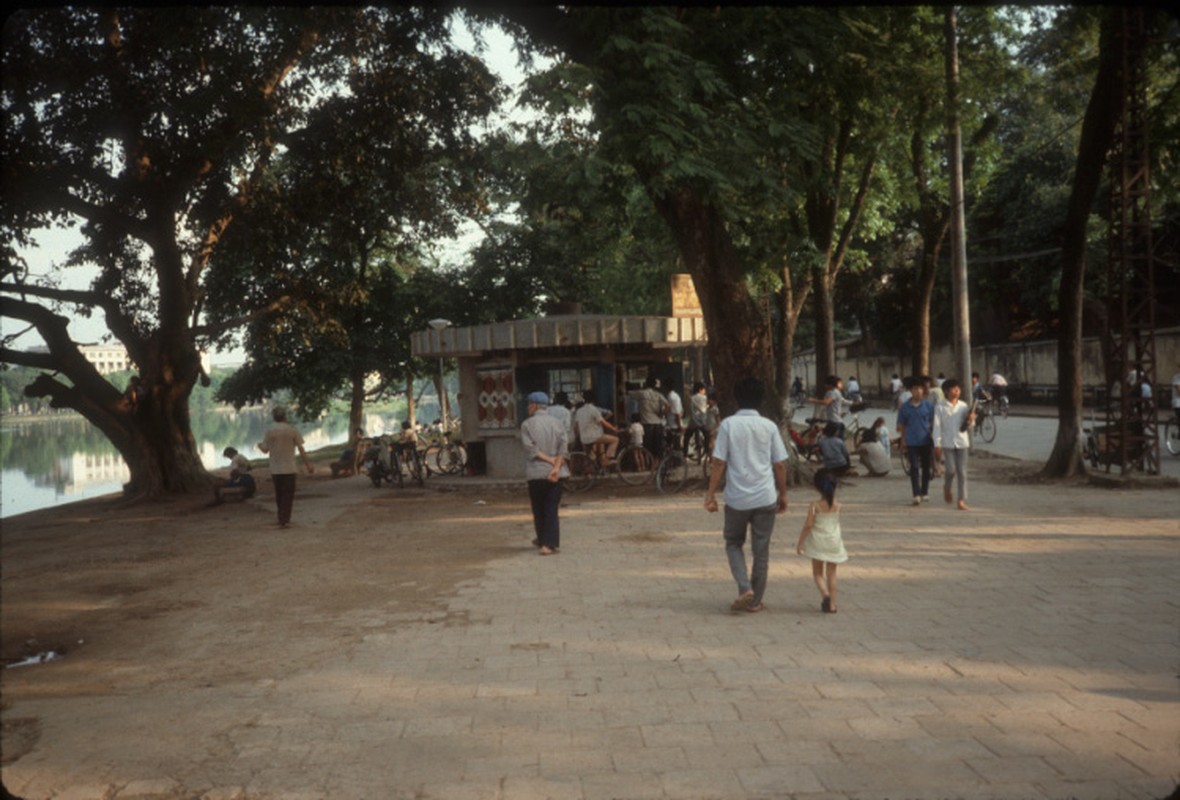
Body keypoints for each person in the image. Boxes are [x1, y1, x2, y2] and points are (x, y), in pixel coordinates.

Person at [704, 376, 789, 615]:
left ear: (736, 398)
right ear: (761, 399)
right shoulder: (770, 426)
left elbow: (719, 462)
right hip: (765, 497)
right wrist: (783, 494)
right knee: (761, 549)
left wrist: (710, 495)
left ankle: (744, 587)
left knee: (733, 543)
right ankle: (755, 601)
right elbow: (780, 465)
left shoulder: (728, 425)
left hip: (737, 498)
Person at [521, 391, 569, 556]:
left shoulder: (527, 424)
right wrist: (555, 467)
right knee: (551, 508)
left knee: (538, 507)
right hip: (556, 473)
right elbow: (563, 448)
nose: (528, 407)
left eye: (529, 404)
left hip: (536, 473)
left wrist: (548, 461)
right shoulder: (558, 423)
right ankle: (547, 543)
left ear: (534, 405)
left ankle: (544, 541)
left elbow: (531, 449)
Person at [796, 469, 848, 613]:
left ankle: (825, 594)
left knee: (818, 573)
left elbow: (808, 524)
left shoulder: (814, 506)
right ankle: (832, 605)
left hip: (818, 542)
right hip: (834, 542)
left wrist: (800, 543)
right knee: (832, 574)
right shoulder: (838, 506)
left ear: (816, 487)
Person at [258, 406, 314, 528]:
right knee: (288, 494)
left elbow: (265, 450)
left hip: (275, 468)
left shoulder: (270, 432)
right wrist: (308, 465)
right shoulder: (292, 431)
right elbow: (301, 449)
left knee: (279, 494)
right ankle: (285, 518)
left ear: (274, 418)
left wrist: (259, 446)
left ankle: (281, 517)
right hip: (289, 467)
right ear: (285, 416)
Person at [933, 378, 974, 511]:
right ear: (946, 391)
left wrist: (971, 420)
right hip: (947, 442)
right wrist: (937, 444)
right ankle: (947, 487)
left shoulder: (963, 406)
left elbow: (969, 425)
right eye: (954, 389)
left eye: (958, 389)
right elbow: (937, 426)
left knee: (962, 472)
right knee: (950, 470)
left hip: (962, 442)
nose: (957, 391)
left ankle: (961, 499)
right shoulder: (940, 406)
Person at [896, 378, 934, 505]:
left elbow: (933, 423)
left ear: (923, 391)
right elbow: (901, 425)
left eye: (920, 389)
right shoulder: (905, 407)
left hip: (926, 441)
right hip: (911, 441)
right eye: (915, 389)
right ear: (911, 391)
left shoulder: (928, 406)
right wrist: (903, 441)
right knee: (914, 467)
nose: (917, 391)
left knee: (926, 467)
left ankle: (925, 491)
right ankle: (916, 493)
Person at [573, 390, 620, 465]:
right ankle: (606, 460)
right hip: (595, 437)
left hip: (584, 438)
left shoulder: (579, 411)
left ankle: (590, 472)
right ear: (594, 399)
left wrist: (579, 436)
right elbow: (604, 423)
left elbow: (576, 426)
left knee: (590, 457)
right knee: (615, 440)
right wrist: (614, 429)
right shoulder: (594, 409)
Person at [629, 376, 670, 457]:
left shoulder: (642, 393)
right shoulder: (659, 395)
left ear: (646, 383)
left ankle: (649, 464)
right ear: (655, 385)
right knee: (657, 446)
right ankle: (656, 464)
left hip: (647, 424)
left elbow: (629, 394)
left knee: (648, 446)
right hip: (658, 424)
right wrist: (662, 413)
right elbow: (668, 405)